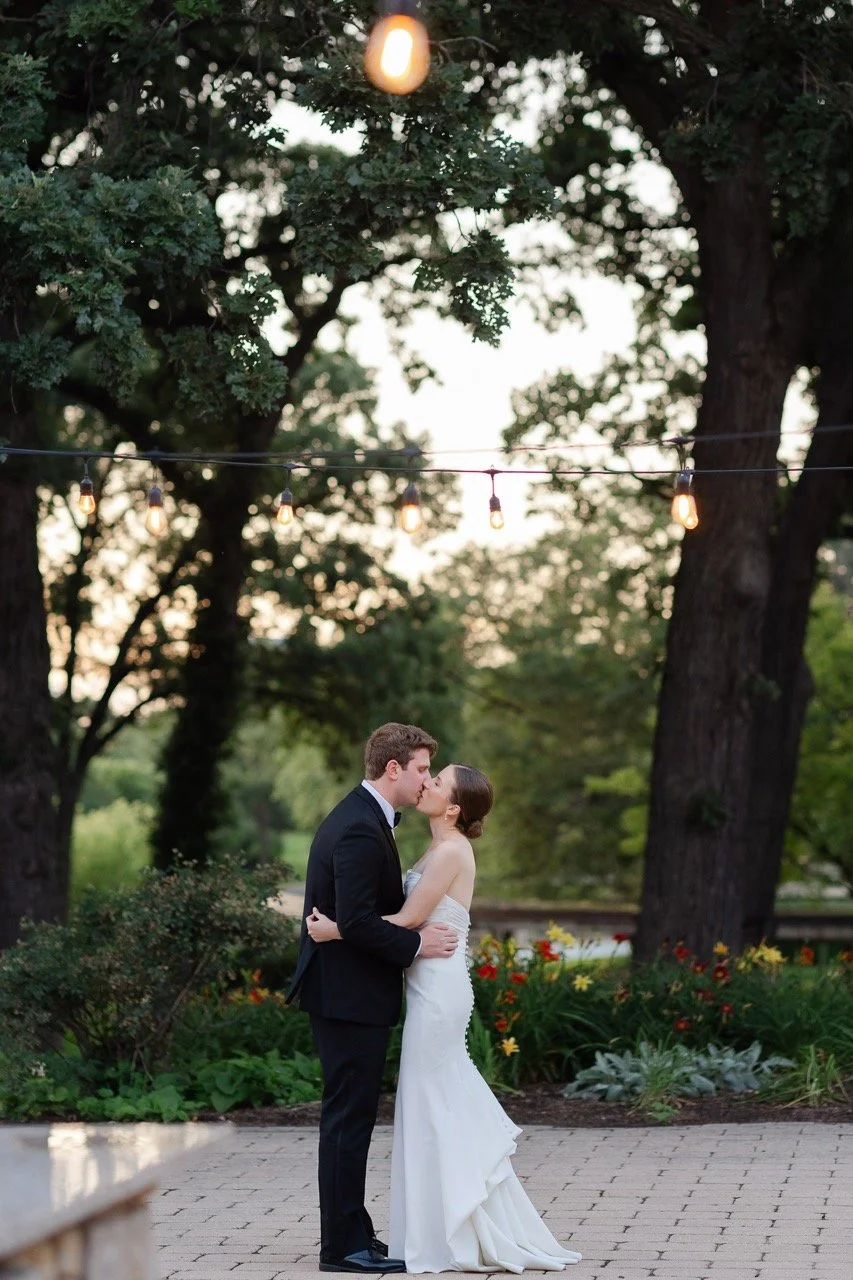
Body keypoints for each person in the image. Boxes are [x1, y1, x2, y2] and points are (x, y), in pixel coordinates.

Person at [307, 762, 583, 1274]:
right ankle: (441, 1227)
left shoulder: (452, 849)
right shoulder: (434, 847)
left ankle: (450, 1228)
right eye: (426, 774)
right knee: (430, 1104)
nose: (427, 783)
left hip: (438, 990)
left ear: (453, 806)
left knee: (431, 1101)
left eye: (437, 781)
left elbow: (411, 919)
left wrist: (338, 931)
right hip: (426, 984)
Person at [286, 723, 460, 1275]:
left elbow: (351, 918)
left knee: (353, 1116)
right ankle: (340, 1248)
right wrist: (416, 943)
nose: (426, 779)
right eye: (422, 769)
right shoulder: (361, 828)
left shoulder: (365, 818)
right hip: (346, 995)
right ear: (394, 769)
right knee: (348, 1119)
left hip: (347, 991)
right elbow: (358, 921)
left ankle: (355, 1231)